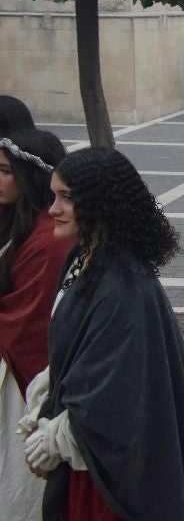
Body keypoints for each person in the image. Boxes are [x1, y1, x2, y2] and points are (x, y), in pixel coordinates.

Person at [20, 148, 184, 520]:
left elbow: (114, 391)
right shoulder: (82, 260)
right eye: (54, 195)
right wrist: (46, 399)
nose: (53, 209)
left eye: (66, 198)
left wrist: (57, 437)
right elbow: (73, 358)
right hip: (90, 465)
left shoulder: (124, 285)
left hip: (117, 475)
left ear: (99, 203)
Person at [0, 131, 73, 518]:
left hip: (24, 378)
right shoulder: (22, 222)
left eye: (5, 171)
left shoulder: (50, 238)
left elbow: (29, 321)